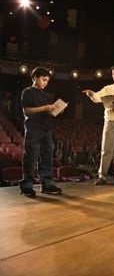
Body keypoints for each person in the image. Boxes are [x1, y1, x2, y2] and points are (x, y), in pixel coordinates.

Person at [19, 67, 62, 197]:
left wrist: (57, 110)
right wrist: (45, 108)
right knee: (31, 158)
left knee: (47, 158)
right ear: (35, 78)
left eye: (47, 81)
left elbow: (48, 112)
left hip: (46, 129)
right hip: (33, 128)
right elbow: (27, 111)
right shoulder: (27, 92)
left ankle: (47, 185)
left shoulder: (46, 95)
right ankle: (26, 186)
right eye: (43, 80)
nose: (45, 83)